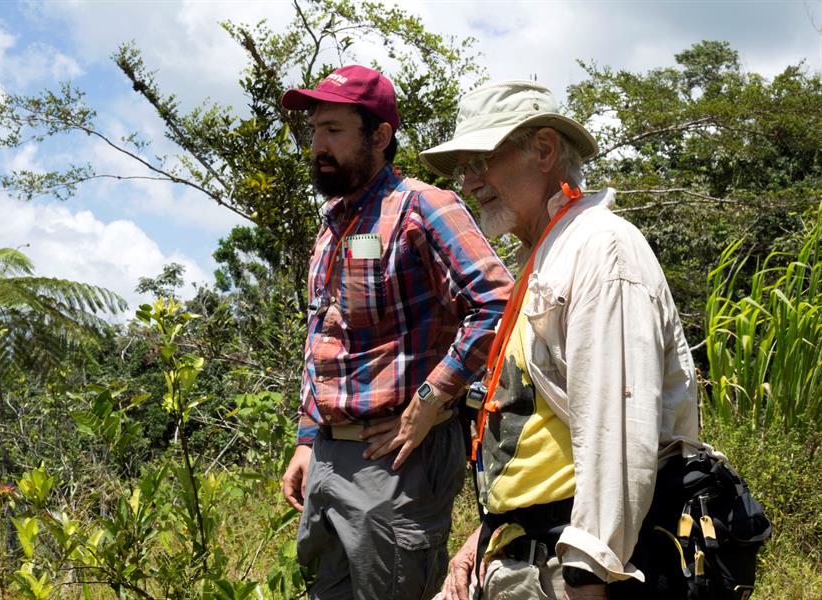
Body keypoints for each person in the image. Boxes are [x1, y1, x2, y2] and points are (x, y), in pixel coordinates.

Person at [419, 80, 699, 600]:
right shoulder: (546, 256)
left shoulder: (601, 250)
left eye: (482, 159)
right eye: (465, 168)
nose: (470, 180)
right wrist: (485, 539)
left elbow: (619, 431)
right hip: (527, 554)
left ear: (545, 149)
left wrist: (589, 573)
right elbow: (541, 433)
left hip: (573, 570)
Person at [278, 65, 514, 600]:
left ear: (380, 136)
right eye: (314, 130)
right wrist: (307, 437)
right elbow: (326, 334)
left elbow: (497, 304)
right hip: (328, 458)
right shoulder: (334, 222)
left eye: (334, 130)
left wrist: (432, 398)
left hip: (396, 459)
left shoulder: (424, 206)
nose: (318, 144)